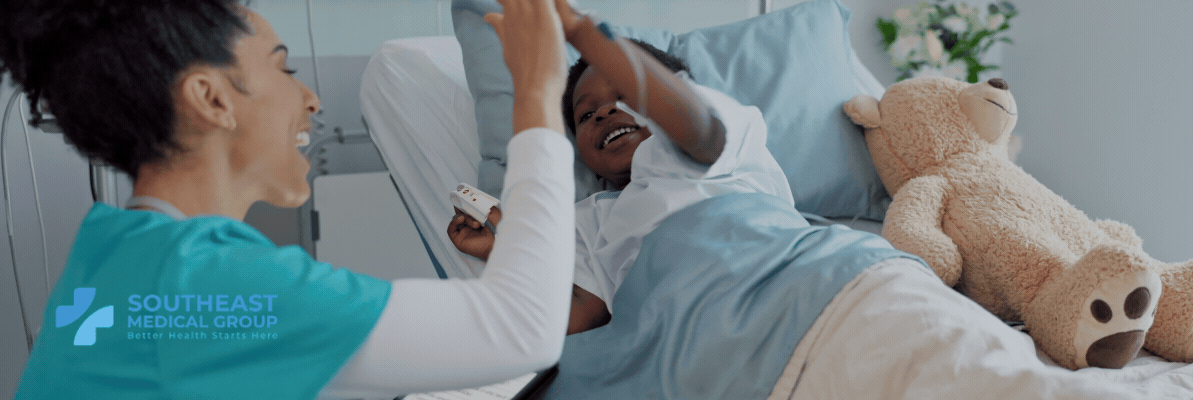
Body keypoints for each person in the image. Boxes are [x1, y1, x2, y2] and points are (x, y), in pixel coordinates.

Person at [3, 0, 577, 398]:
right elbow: (525, 328)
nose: (311, 99)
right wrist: (536, 90)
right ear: (212, 99)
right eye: (285, 68)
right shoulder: (206, 283)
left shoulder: (110, 255)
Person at [449, 3, 793, 334]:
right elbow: (582, 318)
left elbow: (697, 127)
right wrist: (500, 250)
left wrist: (582, 31)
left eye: (622, 97)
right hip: (690, 344)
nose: (604, 113)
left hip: (788, 290)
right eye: (586, 115)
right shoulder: (588, 221)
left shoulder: (717, 140)